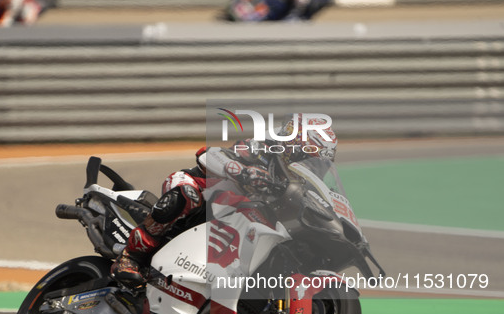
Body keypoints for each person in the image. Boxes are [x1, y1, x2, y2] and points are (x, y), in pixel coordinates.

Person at [112, 123, 338, 289]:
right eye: (312, 157)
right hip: (202, 192)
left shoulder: (298, 184)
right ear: (295, 145)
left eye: (321, 163)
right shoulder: (260, 150)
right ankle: (130, 258)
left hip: (237, 220)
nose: (315, 166)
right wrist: (242, 170)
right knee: (186, 196)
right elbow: (209, 156)